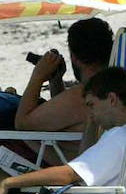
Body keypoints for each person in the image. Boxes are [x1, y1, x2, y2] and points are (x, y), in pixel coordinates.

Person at [0, 68, 126, 194]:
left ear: (112, 99)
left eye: (92, 105)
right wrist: (91, 122)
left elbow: (68, 174)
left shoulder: (117, 138)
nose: (90, 113)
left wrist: (8, 182)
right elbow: (84, 160)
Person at [12, 17, 114, 148]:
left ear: (74, 57)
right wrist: (56, 80)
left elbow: (21, 124)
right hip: (86, 155)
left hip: (63, 162)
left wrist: (38, 76)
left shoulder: (85, 95)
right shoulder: (112, 86)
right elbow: (64, 114)